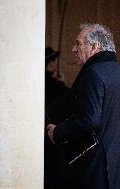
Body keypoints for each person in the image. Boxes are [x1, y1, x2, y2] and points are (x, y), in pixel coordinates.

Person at [46, 23, 120, 189]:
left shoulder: (93, 73)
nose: (73, 49)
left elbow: (89, 119)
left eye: (78, 43)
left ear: (94, 46)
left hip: (95, 170)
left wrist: (58, 132)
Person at [44, 47, 69, 189]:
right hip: (52, 135)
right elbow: (71, 100)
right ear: (50, 63)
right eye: (53, 61)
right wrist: (62, 82)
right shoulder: (56, 85)